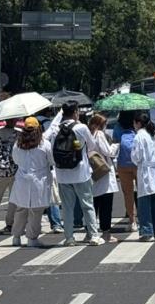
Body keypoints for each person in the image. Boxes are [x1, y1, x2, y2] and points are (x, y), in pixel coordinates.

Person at [44, 101, 103, 246]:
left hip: (63, 174)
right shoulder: (81, 127)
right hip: (81, 172)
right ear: (76, 112)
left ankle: (69, 237)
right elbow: (92, 145)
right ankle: (94, 235)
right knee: (87, 204)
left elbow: (52, 149)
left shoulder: (56, 129)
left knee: (67, 207)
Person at [10, 117, 53, 247]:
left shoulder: (18, 144)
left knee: (21, 209)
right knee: (36, 210)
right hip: (39, 180)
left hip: (22, 179)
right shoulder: (44, 144)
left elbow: (15, 160)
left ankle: (16, 237)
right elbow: (51, 160)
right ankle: (32, 238)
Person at [131, 112, 155, 241]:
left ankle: (147, 232)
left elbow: (136, 157)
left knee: (145, 203)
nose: (134, 126)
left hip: (145, 171)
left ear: (138, 123)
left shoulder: (139, 136)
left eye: (134, 123)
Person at [88, 113, 120, 243]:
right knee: (106, 204)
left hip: (94, 171)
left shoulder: (89, 135)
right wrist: (116, 145)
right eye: (105, 124)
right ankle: (106, 233)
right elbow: (108, 152)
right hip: (104, 171)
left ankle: (90, 231)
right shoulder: (99, 134)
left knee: (94, 203)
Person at [113, 111, 138, 231]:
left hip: (123, 164)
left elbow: (115, 142)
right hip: (138, 164)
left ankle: (132, 221)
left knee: (128, 193)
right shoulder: (136, 125)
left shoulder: (118, 127)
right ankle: (144, 219)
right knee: (142, 191)